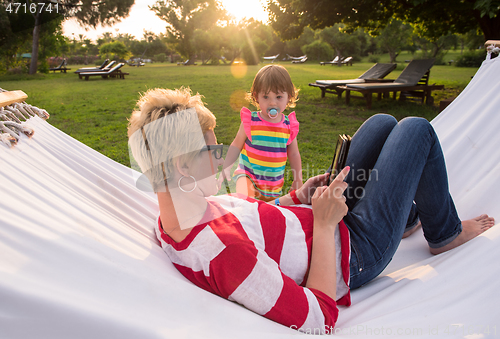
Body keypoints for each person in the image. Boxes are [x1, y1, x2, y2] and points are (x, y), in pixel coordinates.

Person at [127, 87, 495, 334]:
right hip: (356, 250)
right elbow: (318, 318)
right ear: (183, 168)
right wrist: (323, 224)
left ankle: (404, 217)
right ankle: (444, 233)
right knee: (416, 130)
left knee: (382, 124)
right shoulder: (224, 254)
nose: (224, 157)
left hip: (327, 220)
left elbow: (251, 222)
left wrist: (297, 198)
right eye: (212, 151)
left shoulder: (178, 212)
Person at [223, 64, 303, 202]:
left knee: (265, 213)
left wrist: (298, 179)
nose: (272, 103)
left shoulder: (288, 126)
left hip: (272, 185)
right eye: (266, 97)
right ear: (256, 97)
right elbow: (236, 144)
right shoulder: (251, 121)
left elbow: (294, 154)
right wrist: (226, 166)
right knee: (246, 203)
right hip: (248, 175)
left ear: (288, 97)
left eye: (278, 97)